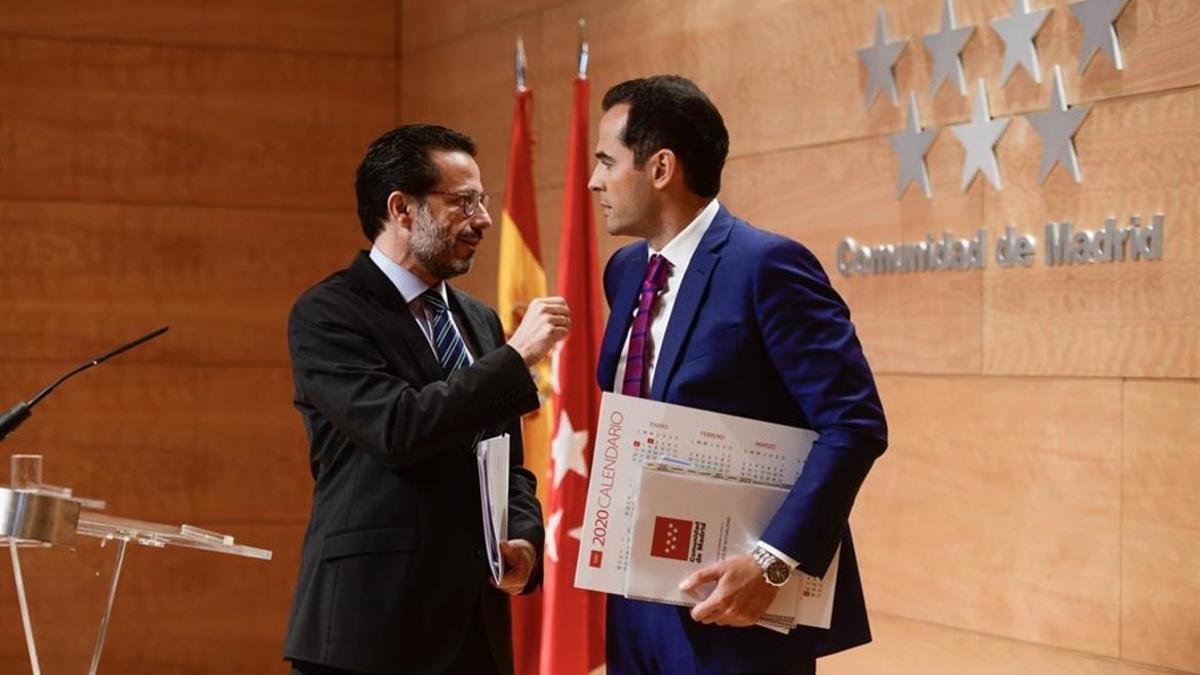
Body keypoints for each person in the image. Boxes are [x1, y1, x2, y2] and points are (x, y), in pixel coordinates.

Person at [589, 75, 888, 674]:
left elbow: (853, 424)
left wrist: (774, 561)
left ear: (661, 167)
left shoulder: (768, 266)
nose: (595, 180)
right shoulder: (624, 272)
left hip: (739, 601)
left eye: (606, 161)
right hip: (632, 595)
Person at [283, 124, 569, 675]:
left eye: (482, 200)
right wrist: (515, 357)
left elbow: (506, 461)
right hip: (370, 631)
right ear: (401, 208)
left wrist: (527, 541)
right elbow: (399, 429)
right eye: (463, 202)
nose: (482, 220)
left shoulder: (479, 319)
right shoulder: (327, 313)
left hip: (474, 629)